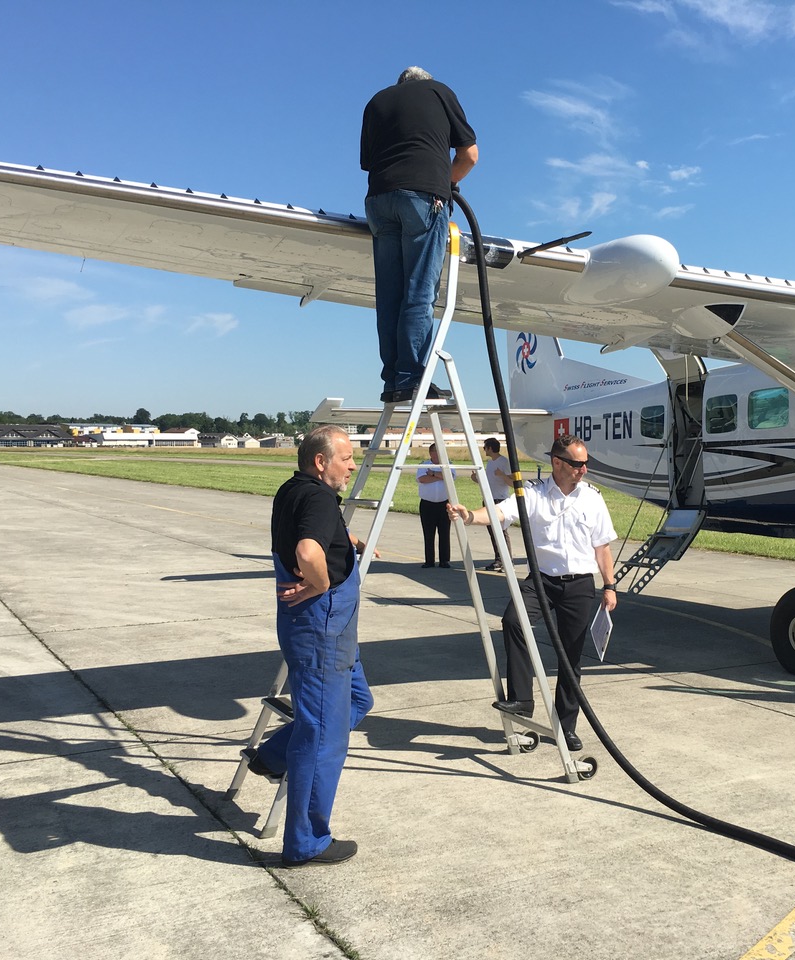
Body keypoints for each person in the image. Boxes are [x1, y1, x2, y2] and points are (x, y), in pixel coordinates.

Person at [242, 424, 373, 867]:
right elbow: (307, 550)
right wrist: (318, 584)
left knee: (359, 699)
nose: (353, 465)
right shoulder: (318, 497)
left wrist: (345, 539)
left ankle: (273, 757)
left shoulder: (294, 490)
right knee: (322, 735)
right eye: (347, 458)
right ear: (321, 462)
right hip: (323, 630)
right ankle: (306, 842)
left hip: (324, 631)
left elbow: (314, 532)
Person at [446, 435, 617, 751]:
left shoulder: (592, 498)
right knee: (513, 621)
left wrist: (609, 585)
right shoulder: (533, 495)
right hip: (542, 581)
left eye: (585, 463)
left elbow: (602, 546)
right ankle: (522, 701)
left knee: (570, 657)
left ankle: (566, 727)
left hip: (580, 585)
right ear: (557, 462)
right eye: (577, 464)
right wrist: (469, 516)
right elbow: (499, 513)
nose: (583, 469)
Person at [361, 66, 478, 404]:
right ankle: (414, 379)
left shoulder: (376, 103)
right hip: (423, 198)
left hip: (379, 202)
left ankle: (394, 380)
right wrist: (448, 183)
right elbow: (469, 155)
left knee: (390, 296)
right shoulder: (440, 91)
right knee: (418, 293)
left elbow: (371, 163)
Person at [417, 443, 466, 568]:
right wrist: (440, 477)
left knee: (444, 533)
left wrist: (433, 474)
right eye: (437, 451)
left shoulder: (447, 464)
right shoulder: (424, 465)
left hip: (444, 504)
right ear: (431, 453)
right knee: (428, 533)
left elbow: (450, 477)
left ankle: (444, 560)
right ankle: (429, 561)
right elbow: (422, 479)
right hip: (427, 504)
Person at [480, 437, 514, 571]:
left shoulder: (504, 462)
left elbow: (513, 482)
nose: (484, 450)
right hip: (489, 499)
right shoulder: (490, 463)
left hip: (499, 500)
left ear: (490, 448)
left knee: (502, 531)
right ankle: (499, 560)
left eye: (485, 447)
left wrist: (502, 475)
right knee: (493, 532)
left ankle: (508, 562)